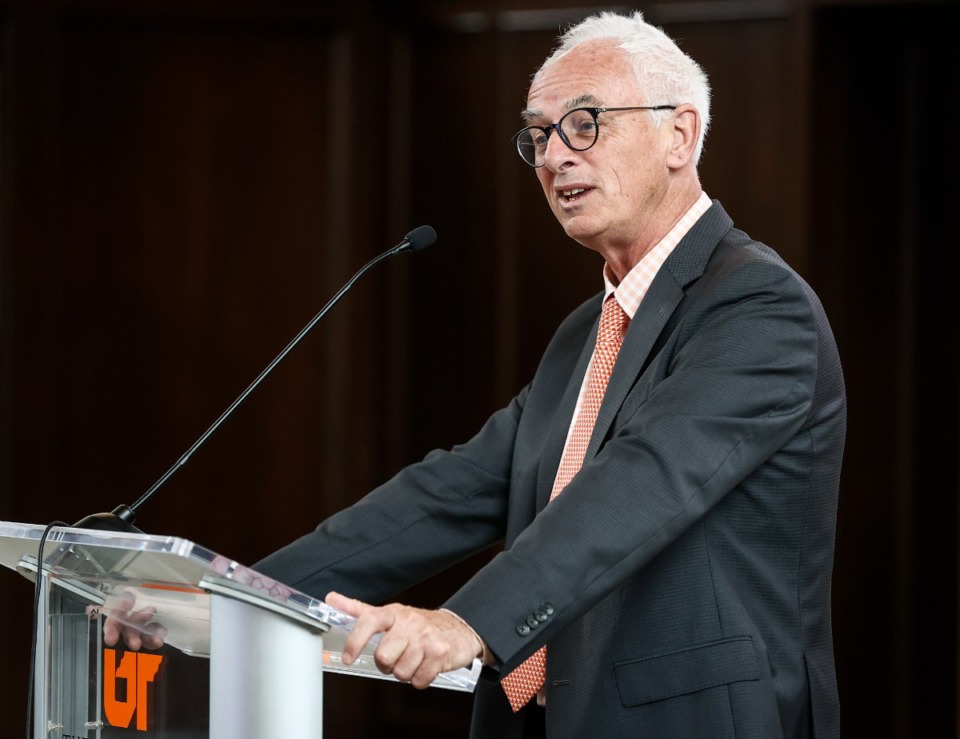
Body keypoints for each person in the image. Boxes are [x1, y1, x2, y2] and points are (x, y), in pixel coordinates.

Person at [111, 10, 846, 738]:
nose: (556, 155)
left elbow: (641, 483)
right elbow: (452, 491)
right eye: (539, 134)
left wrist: (469, 620)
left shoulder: (757, 307)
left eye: (585, 123)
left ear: (679, 134)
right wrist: (230, 597)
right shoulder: (584, 333)